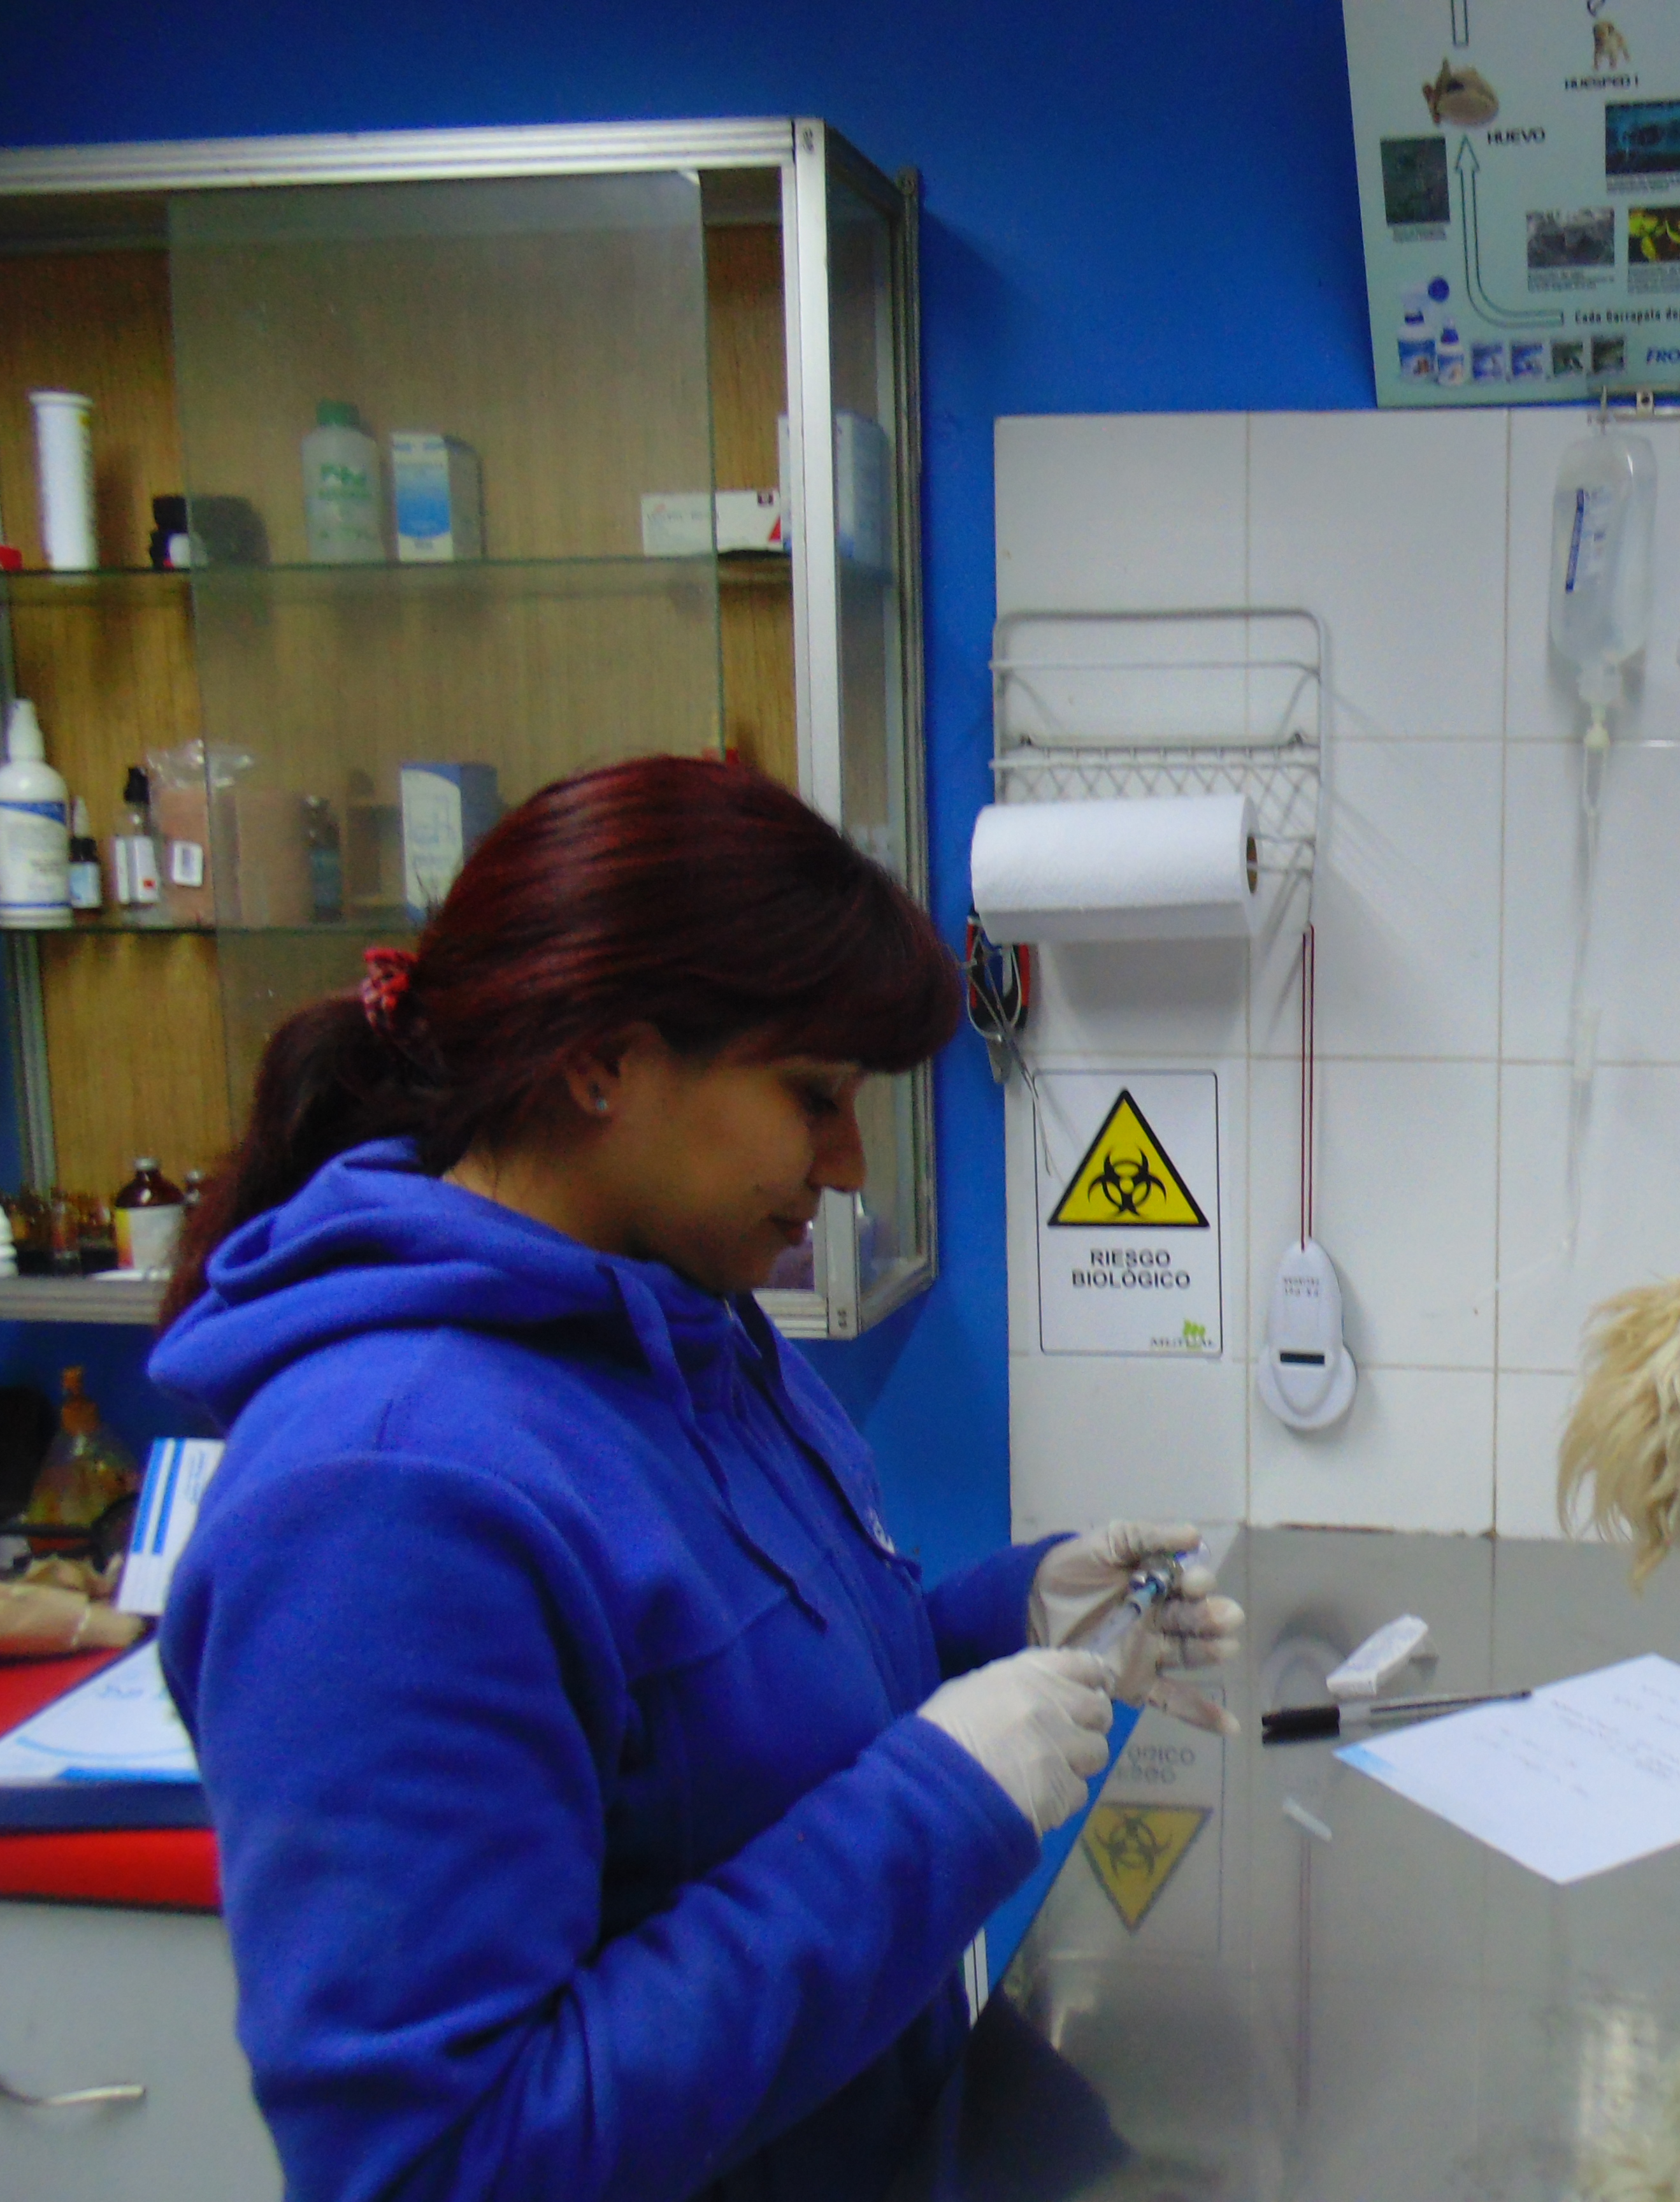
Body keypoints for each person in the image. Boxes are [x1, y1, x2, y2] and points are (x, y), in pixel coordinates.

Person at [150, 754, 1240, 2202]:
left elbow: (734, 1744)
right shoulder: (383, 1496)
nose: (848, 1164)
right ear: (602, 1061)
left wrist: (1012, 1625)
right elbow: (440, 2167)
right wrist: (940, 1805)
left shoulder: (695, 1326)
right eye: (813, 1096)